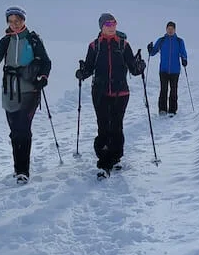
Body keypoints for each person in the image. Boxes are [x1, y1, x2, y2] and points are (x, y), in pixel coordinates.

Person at [0, 6, 52, 184]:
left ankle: (23, 171)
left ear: (24, 20)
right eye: (11, 21)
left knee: (23, 130)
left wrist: (43, 78)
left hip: (30, 90)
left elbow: (46, 62)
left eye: (18, 20)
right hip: (9, 92)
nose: (15, 24)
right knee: (15, 131)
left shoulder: (33, 40)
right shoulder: (5, 41)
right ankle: (18, 168)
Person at [76, 12, 145, 178]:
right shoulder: (95, 46)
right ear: (101, 27)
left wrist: (139, 66)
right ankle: (104, 162)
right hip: (100, 92)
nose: (111, 27)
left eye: (114, 23)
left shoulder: (123, 45)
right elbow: (89, 68)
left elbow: (133, 69)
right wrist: (82, 72)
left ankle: (116, 157)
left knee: (116, 125)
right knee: (103, 126)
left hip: (121, 92)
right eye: (108, 24)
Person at [147, 21, 188, 117]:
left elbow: (183, 52)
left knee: (173, 90)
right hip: (163, 70)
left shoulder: (179, 41)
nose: (170, 31)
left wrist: (184, 59)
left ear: (175, 30)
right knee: (163, 90)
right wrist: (150, 49)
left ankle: (172, 110)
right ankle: (162, 109)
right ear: (166, 29)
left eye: (172, 29)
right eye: (168, 29)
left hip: (175, 70)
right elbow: (153, 52)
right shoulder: (161, 40)